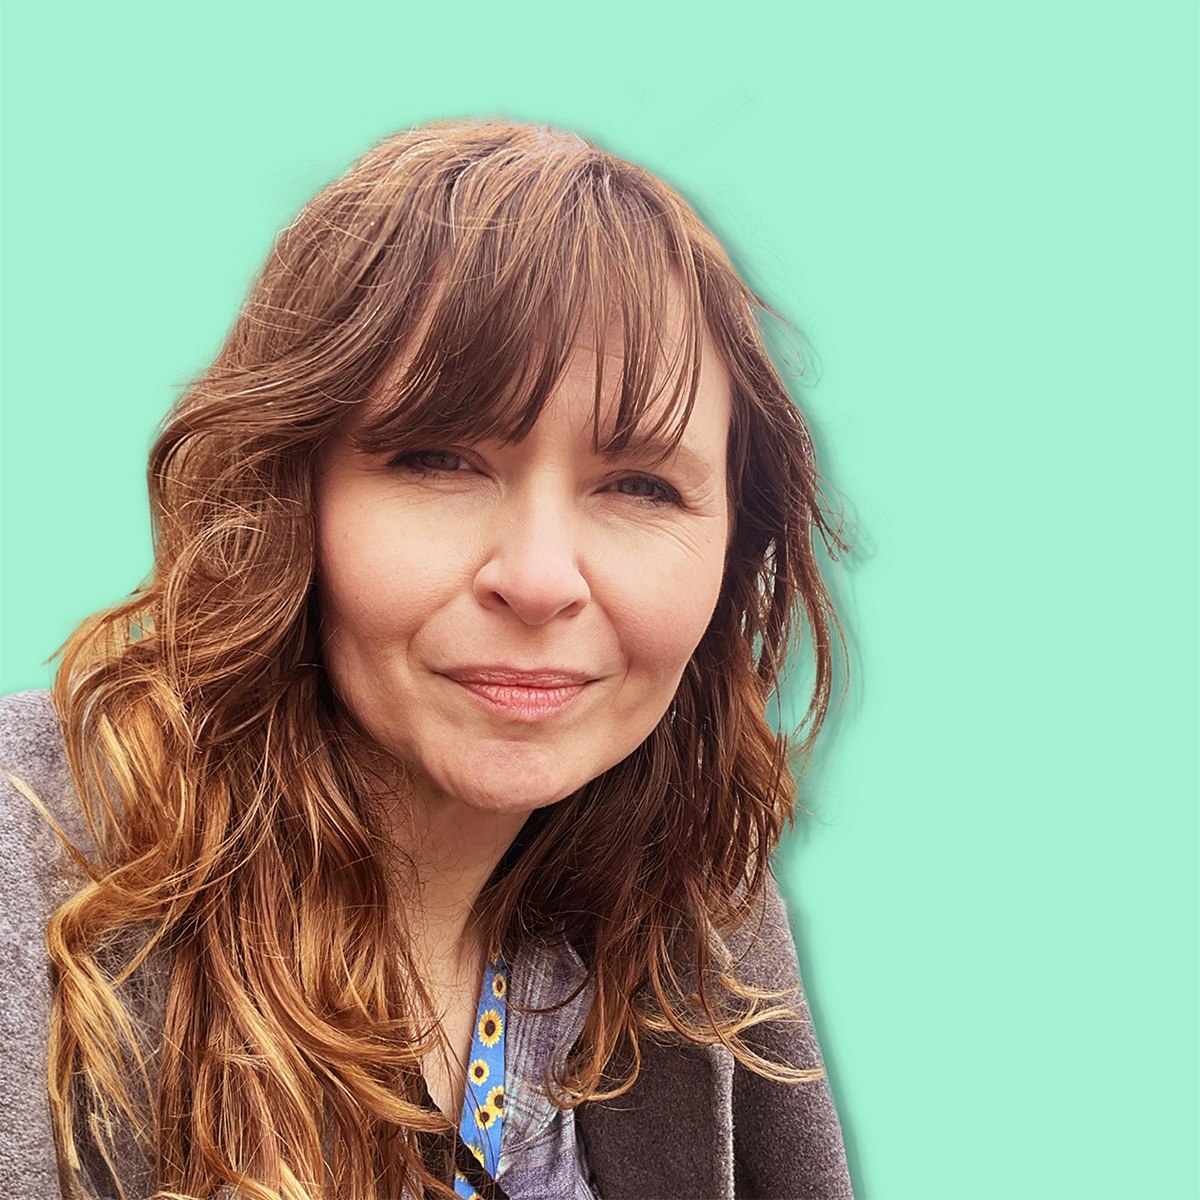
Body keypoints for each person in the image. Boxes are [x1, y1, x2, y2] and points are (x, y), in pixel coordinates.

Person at [0, 118, 855, 1200]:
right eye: (439, 460)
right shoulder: (27, 860)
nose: (539, 578)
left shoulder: (697, 902)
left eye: (640, 485)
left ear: (734, 551)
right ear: (284, 494)